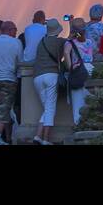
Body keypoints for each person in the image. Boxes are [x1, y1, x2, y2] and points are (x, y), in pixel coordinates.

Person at [31, 17, 67, 145]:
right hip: (51, 75)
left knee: (47, 108)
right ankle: (46, 140)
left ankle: (37, 137)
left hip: (37, 77)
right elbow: (75, 37)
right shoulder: (60, 42)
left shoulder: (42, 42)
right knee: (50, 108)